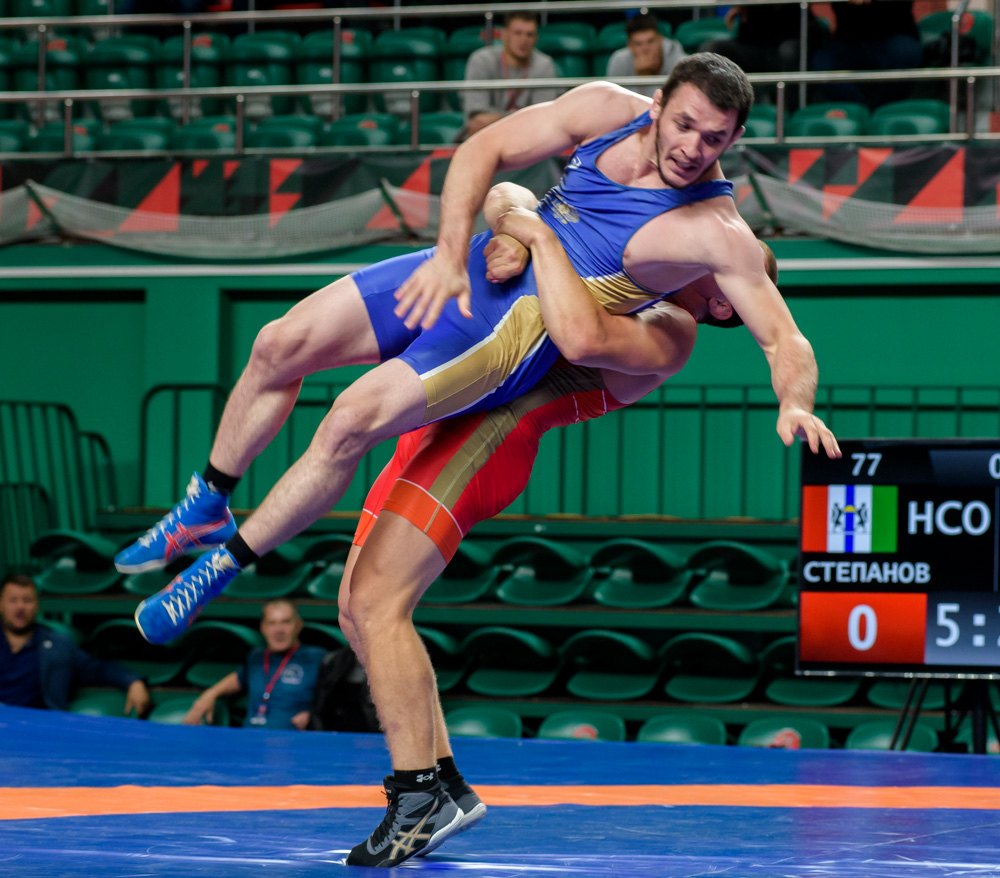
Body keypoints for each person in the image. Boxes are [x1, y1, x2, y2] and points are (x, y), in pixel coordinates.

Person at [121, 55, 833, 697]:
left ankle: (220, 566)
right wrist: (450, 251)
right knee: (279, 343)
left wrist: (795, 402)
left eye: (715, 139)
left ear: (735, 141)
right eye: (685, 126)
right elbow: (483, 150)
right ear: (657, 104)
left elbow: (784, 338)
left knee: (347, 422)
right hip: (474, 267)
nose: (693, 149)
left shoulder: (714, 238)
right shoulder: (605, 110)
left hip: (509, 333)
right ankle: (206, 500)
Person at [337, 190, 831, 866]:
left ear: (727, 303)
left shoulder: (672, 329)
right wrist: (514, 222)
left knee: (378, 604)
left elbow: (581, 335)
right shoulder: (639, 271)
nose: (710, 251)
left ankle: (416, 793)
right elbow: (511, 195)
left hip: (487, 440)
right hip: (439, 422)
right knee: (355, 612)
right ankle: (445, 784)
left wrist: (537, 238)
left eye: (729, 265)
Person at [0, 573, 150, 715]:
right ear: (1, 604)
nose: (20, 607)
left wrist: (133, 682)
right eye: (13, 600)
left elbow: (99, 669)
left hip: (37, 725)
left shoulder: (58, 646)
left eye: (27, 600)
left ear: (37, 605)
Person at [182, 598, 327, 729]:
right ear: (263, 627)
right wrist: (209, 695)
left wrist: (314, 716)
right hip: (250, 739)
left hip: (292, 742)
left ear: (299, 625)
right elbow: (237, 679)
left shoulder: (316, 657)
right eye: (272, 623)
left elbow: (336, 698)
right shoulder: (256, 657)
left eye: (286, 622)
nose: (279, 630)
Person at [462, 10, 560, 137]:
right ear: (504, 34)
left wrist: (496, 118)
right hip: (488, 137)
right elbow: (478, 120)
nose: (524, 40)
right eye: (518, 33)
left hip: (528, 140)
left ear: (536, 38)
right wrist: (522, 117)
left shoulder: (544, 64)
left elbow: (543, 118)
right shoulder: (481, 60)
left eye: (529, 34)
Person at [810, 0, 923, 109]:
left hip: (895, 32)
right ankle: (861, 111)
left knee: (906, 54)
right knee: (822, 65)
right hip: (848, 39)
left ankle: (884, 110)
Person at [605, 13, 687, 99]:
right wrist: (642, 76)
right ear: (629, 46)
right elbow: (613, 99)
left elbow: (673, 102)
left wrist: (645, 77)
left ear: (660, 40)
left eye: (650, 41)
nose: (645, 48)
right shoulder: (619, 61)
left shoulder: (679, 63)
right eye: (638, 44)